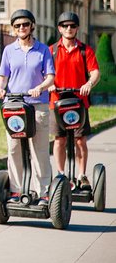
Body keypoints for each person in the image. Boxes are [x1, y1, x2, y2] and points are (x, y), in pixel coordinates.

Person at [0, 9, 54, 206]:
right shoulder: (9, 50)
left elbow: (50, 76)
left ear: (32, 26)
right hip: (14, 106)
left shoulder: (43, 49)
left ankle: (43, 192)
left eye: (25, 24)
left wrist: (40, 87)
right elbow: (3, 77)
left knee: (39, 150)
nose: (21, 28)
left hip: (37, 106)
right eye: (17, 25)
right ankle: (16, 190)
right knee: (13, 149)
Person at [48, 11, 100, 189]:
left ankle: (82, 175)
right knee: (59, 140)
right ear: (59, 28)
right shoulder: (52, 50)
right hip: (56, 102)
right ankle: (61, 174)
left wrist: (89, 83)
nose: (68, 28)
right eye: (65, 26)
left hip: (79, 102)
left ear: (77, 28)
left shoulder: (85, 50)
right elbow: (45, 74)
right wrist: (49, 84)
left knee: (80, 141)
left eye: (72, 26)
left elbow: (95, 72)